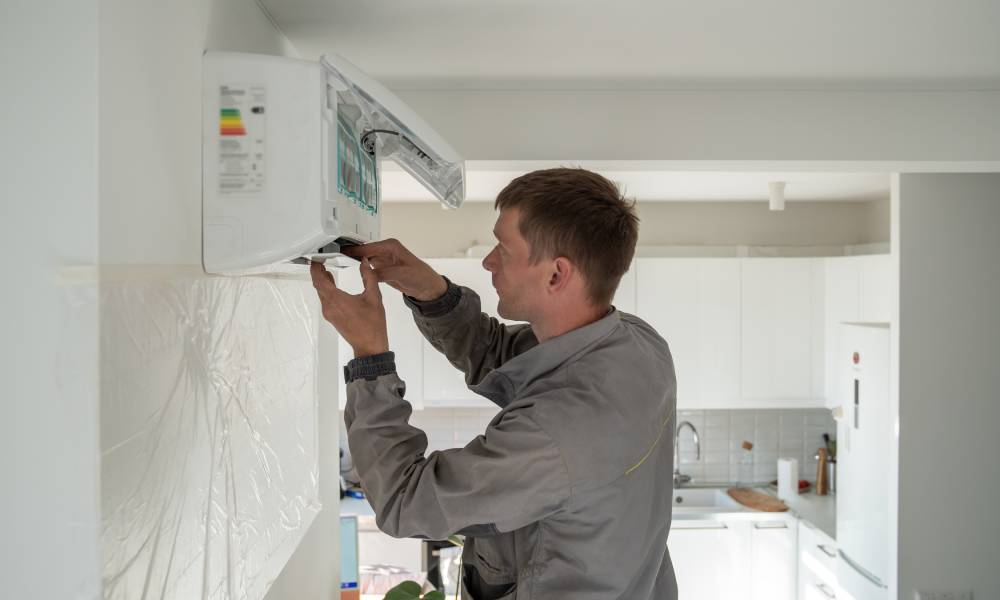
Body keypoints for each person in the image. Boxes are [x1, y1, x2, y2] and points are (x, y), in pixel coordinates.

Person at [310, 168, 677, 600]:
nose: (488, 261)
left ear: (557, 275)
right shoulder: (637, 344)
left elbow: (405, 501)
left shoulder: (557, 436)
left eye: (504, 248)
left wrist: (370, 356)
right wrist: (433, 293)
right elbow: (500, 355)